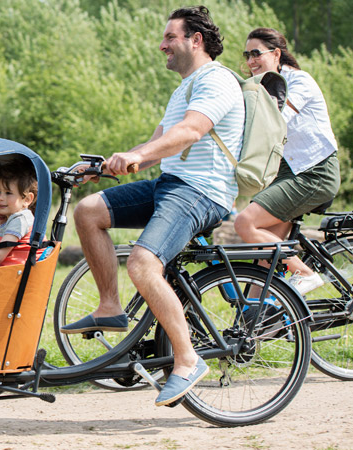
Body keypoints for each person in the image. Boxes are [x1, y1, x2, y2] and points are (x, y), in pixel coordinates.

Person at [61, 5, 244, 407]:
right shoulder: (184, 88)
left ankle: (187, 359)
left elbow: (190, 132)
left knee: (143, 263)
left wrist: (136, 156)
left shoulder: (218, 81)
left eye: (169, 38)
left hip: (201, 191)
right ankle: (110, 305)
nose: (162, 45)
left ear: (196, 40)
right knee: (88, 211)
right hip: (171, 184)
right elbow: (154, 149)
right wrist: (105, 167)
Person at [234, 27, 341, 295]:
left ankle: (304, 273)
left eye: (256, 54)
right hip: (288, 175)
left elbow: (274, 123)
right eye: (247, 55)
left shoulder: (298, 82)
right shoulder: (260, 89)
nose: (250, 61)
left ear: (277, 54)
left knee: (245, 224)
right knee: (265, 255)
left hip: (314, 173)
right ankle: (255, 326)